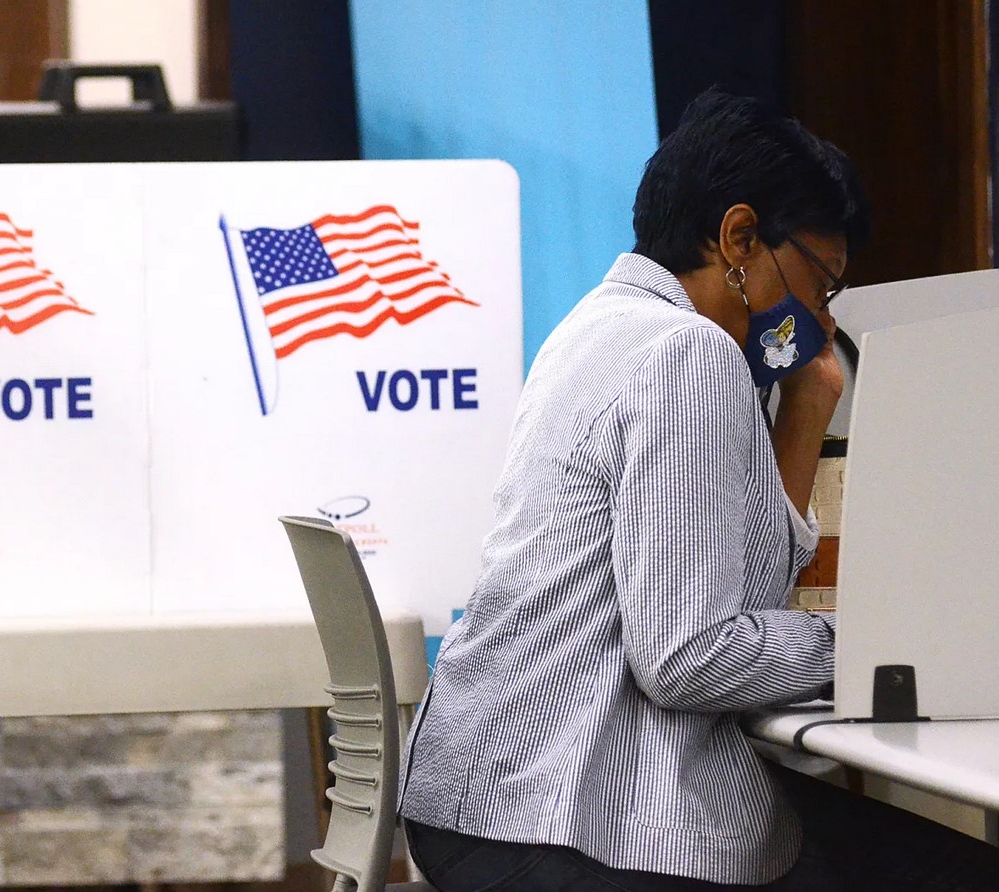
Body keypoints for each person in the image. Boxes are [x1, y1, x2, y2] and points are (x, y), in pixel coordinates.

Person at [397, 90, 999, 890]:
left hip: (483, 795)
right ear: (739, 238)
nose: (821, 318)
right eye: (820, 285)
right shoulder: (688, 355)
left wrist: (806, 405)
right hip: (557, 813)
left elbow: (741, 597)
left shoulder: (602, 324)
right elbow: (689, 657)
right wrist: (884, 645)